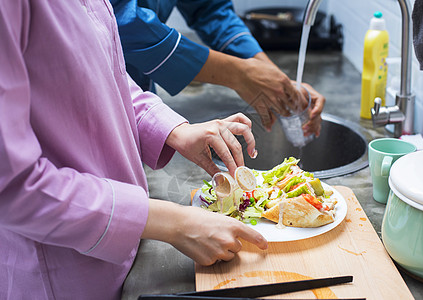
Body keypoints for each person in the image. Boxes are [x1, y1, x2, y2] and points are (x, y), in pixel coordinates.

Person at [0, 1, 267, 299]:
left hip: (117, 256)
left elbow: (102, 70)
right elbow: (12, 187)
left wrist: (173, 130)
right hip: (59, 275)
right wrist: (174, 223)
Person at [111, 0, 325, 135]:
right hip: (99, 96)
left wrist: (274, 78)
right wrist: (239, 74)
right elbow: (121, 21)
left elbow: (209, 9)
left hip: (140, 107)